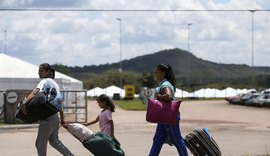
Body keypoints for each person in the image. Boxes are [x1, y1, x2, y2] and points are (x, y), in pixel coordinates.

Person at [21, 63, 74, 156]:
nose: (39, 73)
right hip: (55, 117)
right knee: (54, 142)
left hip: (48, 118)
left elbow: (35, 92)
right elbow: (58, 102)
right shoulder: (54, 84)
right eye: (39, 71)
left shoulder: (45, 81)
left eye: (41, 71)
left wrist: (24, 103)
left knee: (40, 143)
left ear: (48, 72)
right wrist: (62, 118)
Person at [149, 63, 188, 156]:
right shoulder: (164, 83)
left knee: (177, 140)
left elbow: (168, 96)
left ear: (163, 73)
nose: (155, 73)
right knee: (157, 140)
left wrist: (157, 95)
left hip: (169, 117)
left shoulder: (165, 84)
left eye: (157, 71)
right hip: (164, 117)